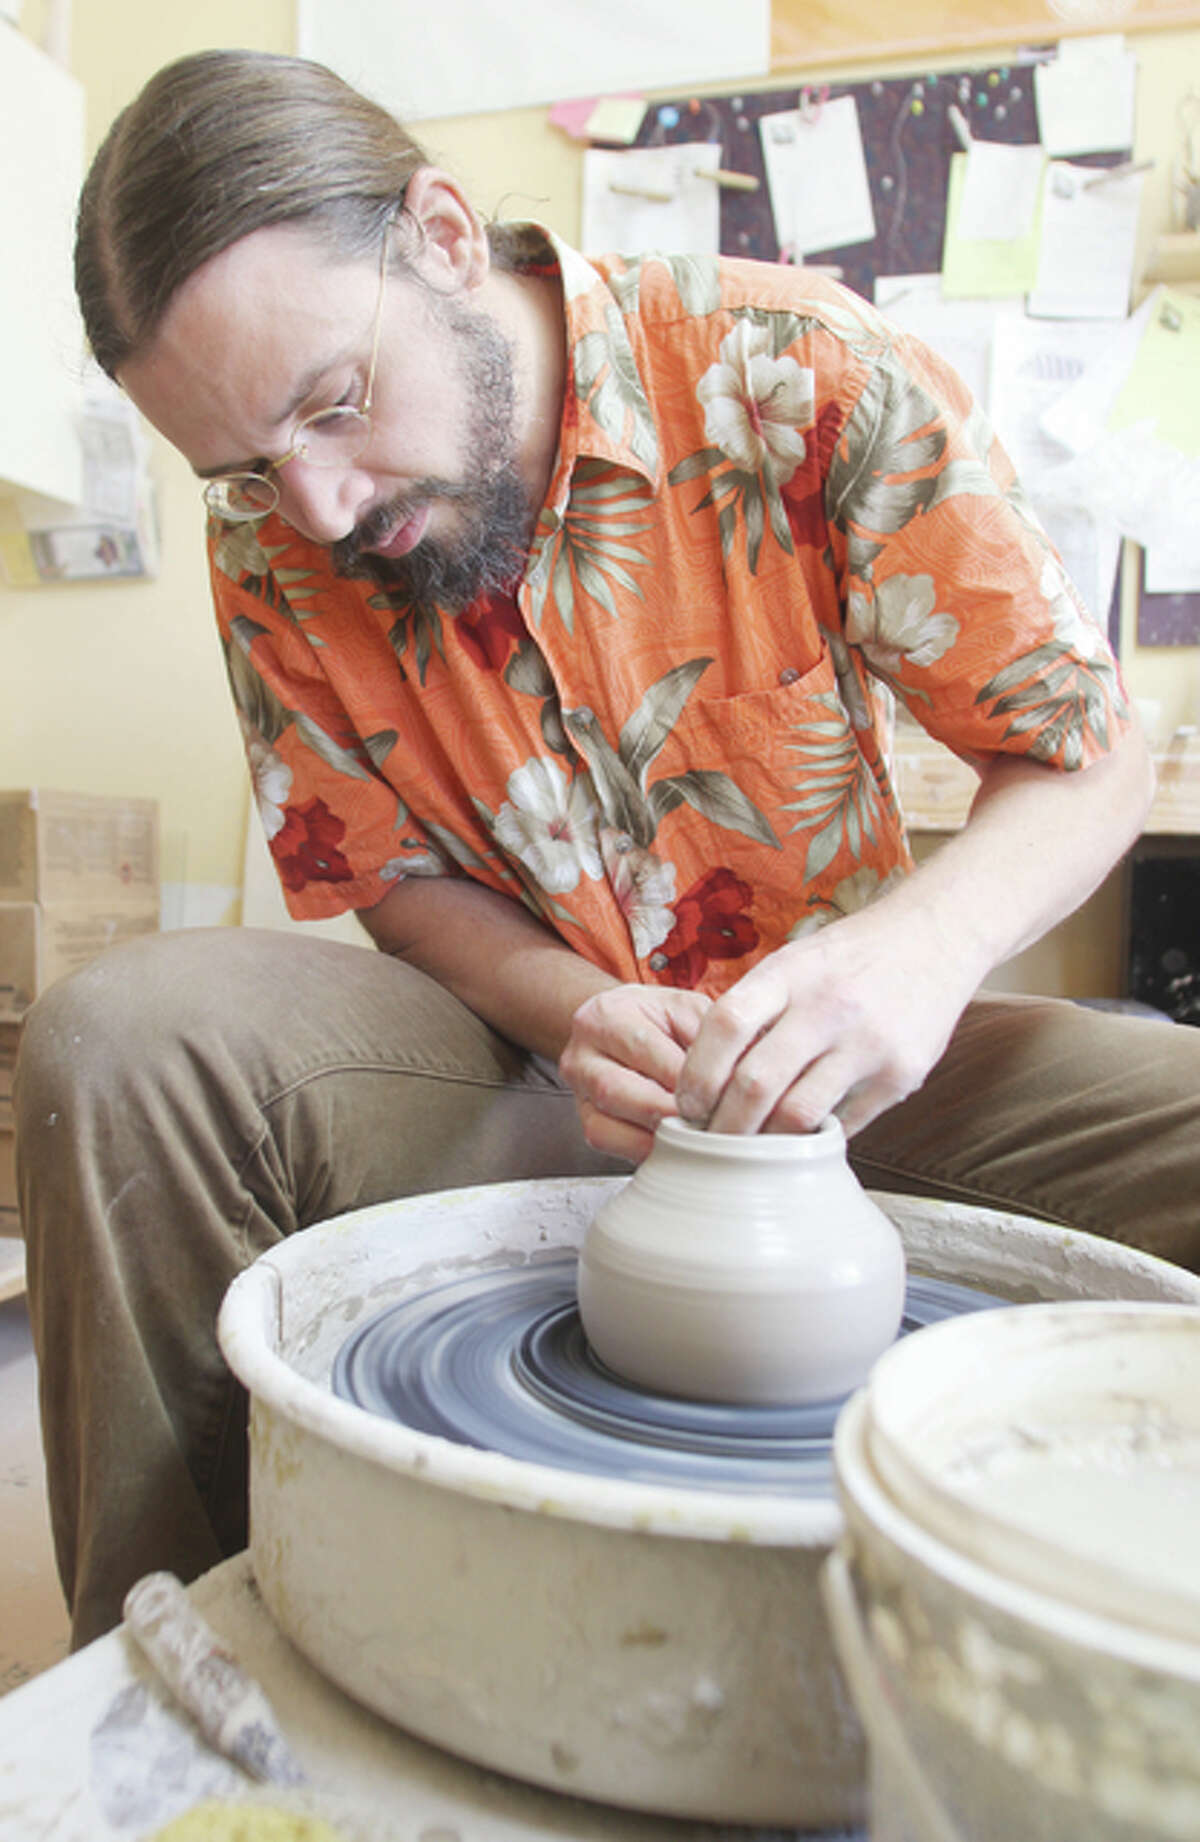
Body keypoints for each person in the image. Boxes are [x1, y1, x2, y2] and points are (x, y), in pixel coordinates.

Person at [15, 48, 1200, 1649]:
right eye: (245, 467)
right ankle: (180, 1678)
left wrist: (912, 958)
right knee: (121, 1041)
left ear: (442, 237)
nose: (320, 505)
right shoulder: (275, 540)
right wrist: (573, 1009)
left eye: (335, 404)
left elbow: (1085, 753)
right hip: (519, 1076)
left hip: (851, 1078)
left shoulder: (788, 369)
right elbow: (393, 885)